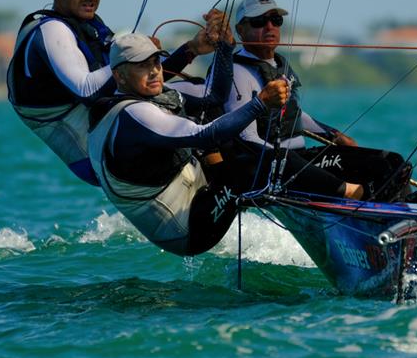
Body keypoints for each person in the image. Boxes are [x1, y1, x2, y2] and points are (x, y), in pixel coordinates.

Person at [7, 0, 228, 186]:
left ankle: (226, 182)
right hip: (97, 158)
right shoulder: (51, 29)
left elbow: (134, 79)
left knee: (203, 100)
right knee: (189, 111)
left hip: (112, 131)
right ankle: (222, 186)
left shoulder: (91, 25)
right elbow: (88, 91)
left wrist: (190, 50)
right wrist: (133, 53)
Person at [87, 33, 288, 256]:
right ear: (119, 76)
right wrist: (260, 103)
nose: (154, 71)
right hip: (189, 231)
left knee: (225, 127)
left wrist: (225, 48)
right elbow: (206, 135)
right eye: (142, 66)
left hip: (194, 193)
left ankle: (278, 189)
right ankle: (320, 198)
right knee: (252, 166)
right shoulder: (135, 114)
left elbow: (213, 99)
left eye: (156, 62)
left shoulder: (153, 97)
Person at [223, 0, 411, 202]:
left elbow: (294, 115)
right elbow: (246, 138)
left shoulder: (279, 65)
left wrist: (333, 134)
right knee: (378, 177)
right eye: (259, 21)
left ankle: (408, 216)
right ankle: (360, 199)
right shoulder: (237, 73)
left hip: (303, 159)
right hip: (275, 169)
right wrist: (289, 162)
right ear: (241, 29)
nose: (270, 27)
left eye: (276, 20)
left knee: (394, 165)